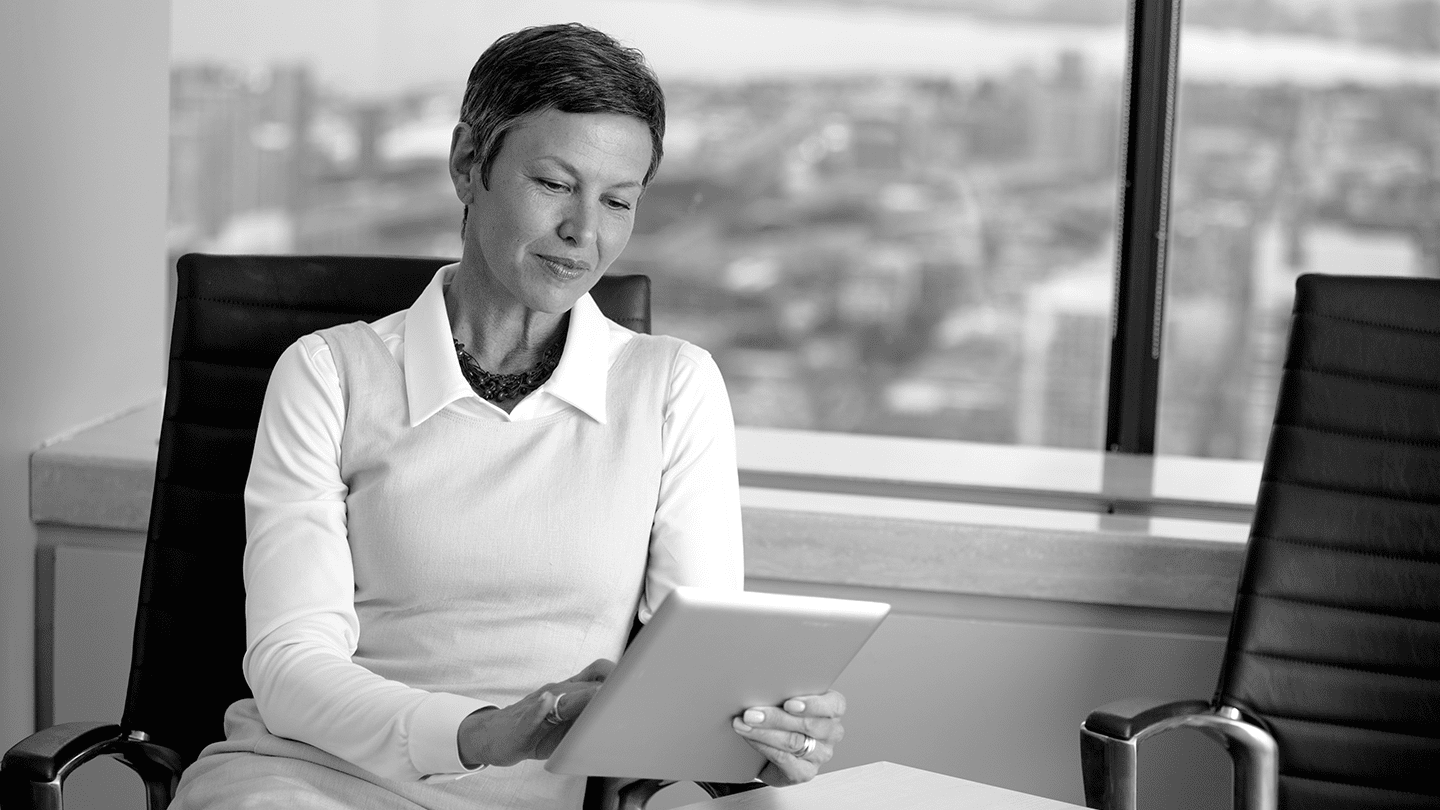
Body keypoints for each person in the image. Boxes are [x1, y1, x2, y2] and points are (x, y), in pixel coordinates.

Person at [171, 22, 846, 810]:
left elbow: (686, 687)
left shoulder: (673, 389)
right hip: (307, 777)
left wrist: (759, 746)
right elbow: (289, 668)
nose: (584, 234)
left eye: (618, 200)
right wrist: (487, 731)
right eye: (555, 184)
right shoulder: (330, 373)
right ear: (467, 164)